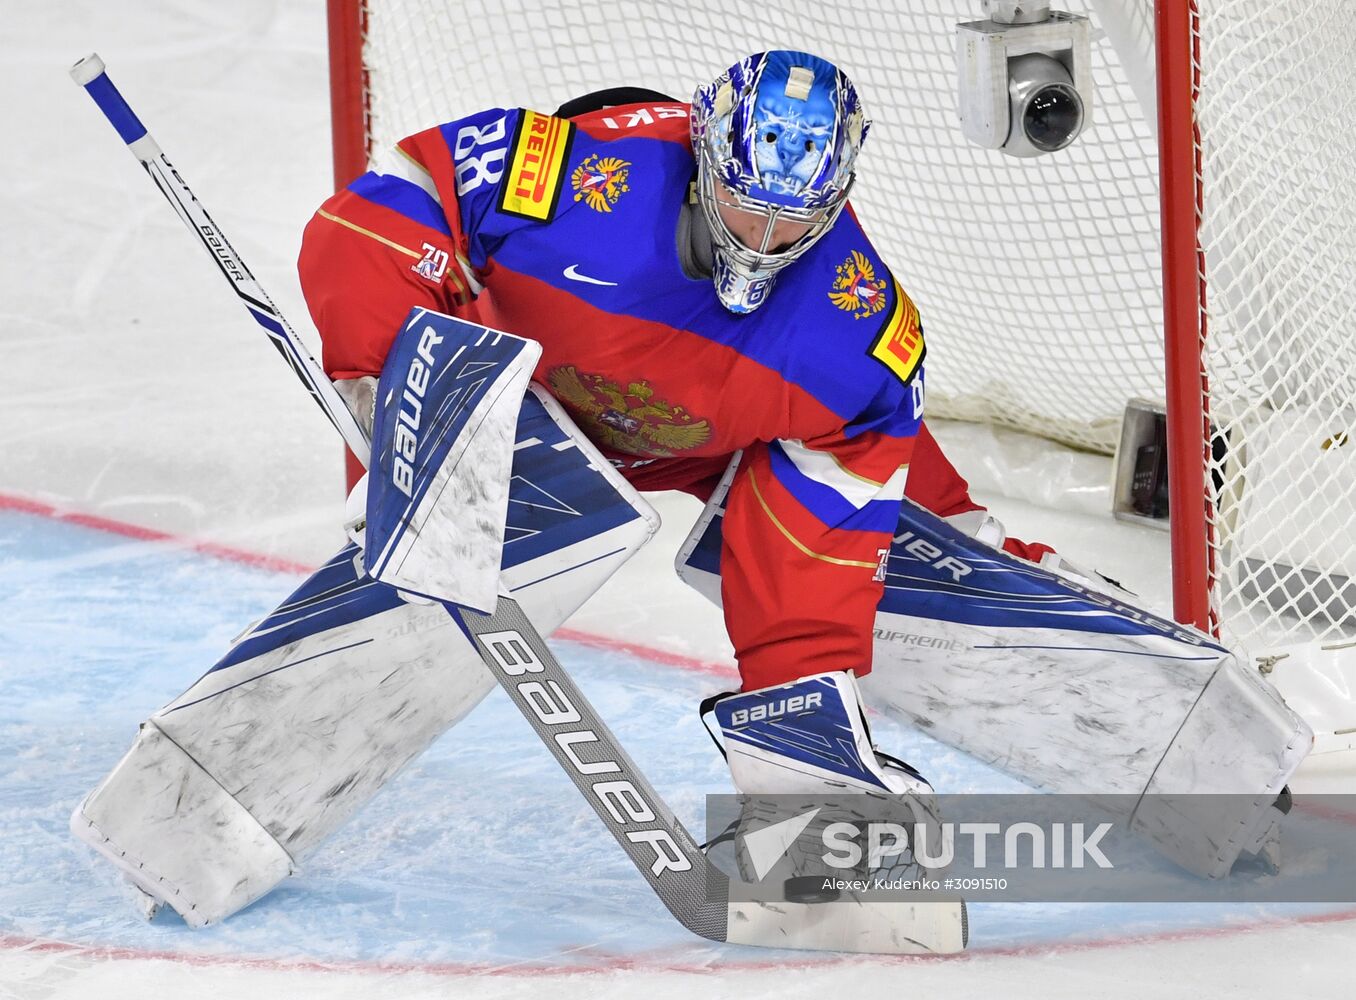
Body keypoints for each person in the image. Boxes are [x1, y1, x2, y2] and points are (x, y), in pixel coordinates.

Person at [298, 50, 1054, 834]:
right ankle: (375, 586)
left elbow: (839, 499)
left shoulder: (854, 320)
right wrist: (398, 409)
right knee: (417, 481)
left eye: (795, 215)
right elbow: (376, 220)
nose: (764, 237)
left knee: (880, 489)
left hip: (714, 437)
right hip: (522, 403)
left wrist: (801, 697)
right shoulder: (579, 179)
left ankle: (834, 725)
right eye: (744, 202)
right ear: (703, 158)